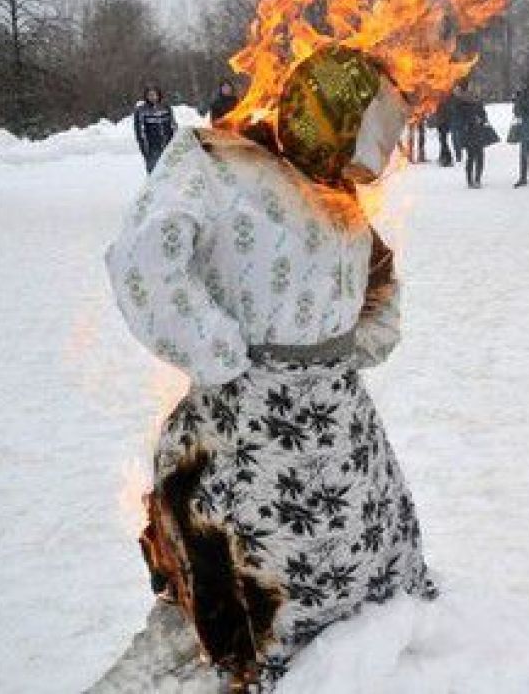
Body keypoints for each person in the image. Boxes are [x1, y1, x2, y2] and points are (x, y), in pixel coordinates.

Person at [102, 46, 437, 689]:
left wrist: (355, 344)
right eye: (374, 128)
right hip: (249, 420)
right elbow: (146, 257)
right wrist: (217, 349)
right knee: (255, 570)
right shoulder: (219, 164)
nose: (384, 150)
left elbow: (380, 286)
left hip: (339, 424)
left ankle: (348, 651)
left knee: (356, 563)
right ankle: (254, 653)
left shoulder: (338, 198)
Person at [451, 78, 492, 189]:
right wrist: (468, 122)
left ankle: (477, 179)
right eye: (470, 86)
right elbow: (458, 117)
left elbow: (483, 114)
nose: (472, 88)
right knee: (471, 157)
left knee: (480, 156)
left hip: (478, 131)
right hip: (468, 131)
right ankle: (470, 180)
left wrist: (482, 119)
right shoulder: (460, 102)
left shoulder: (477, 101)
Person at [133, 85, 177, 174]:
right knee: (155, 173)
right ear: (146, 96)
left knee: (171, 171)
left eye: (154, 95)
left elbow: (173, 125)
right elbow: (140, 132)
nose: (153, 97)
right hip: (152, 147)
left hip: (168, 144)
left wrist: (175, 140)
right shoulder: (141, 110)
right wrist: (145, 148)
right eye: (150, 95)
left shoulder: (166, 107)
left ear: (159, 95)